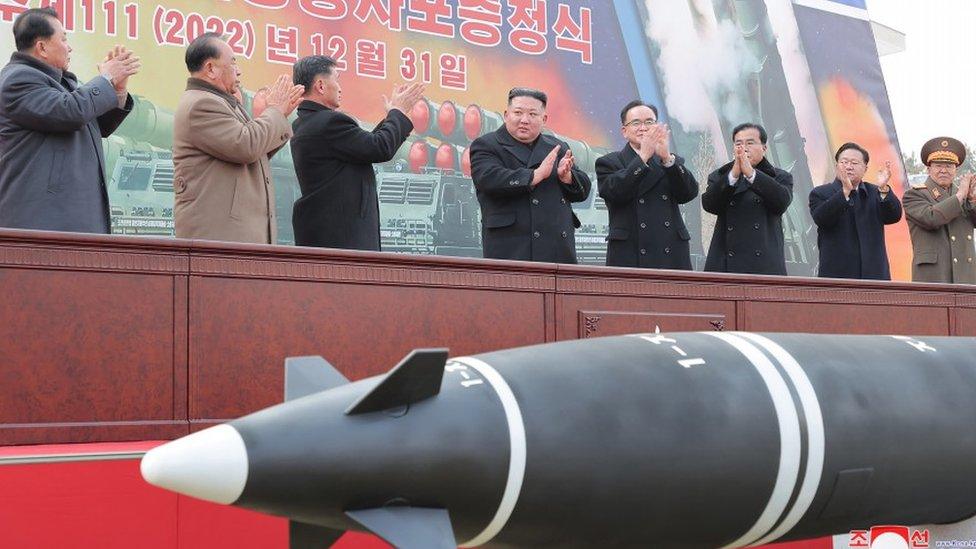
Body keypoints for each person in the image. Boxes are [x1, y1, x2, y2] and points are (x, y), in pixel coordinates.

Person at [0, 7, 139, 233]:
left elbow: (96, 125)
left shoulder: (64, 82)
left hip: (73, 221)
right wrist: (105, 79)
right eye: (64, 39)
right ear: (42, 47)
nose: (69, 46)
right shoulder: (18, 79)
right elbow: (70, 112)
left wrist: (118, 89)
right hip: (41, 224)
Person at [173, 32, 303, 244]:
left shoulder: (223, 103)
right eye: (233, 63)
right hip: (220, 239)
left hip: (235, 238)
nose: (239, 71)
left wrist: (275, 115)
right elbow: (246, 146)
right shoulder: (202, 105)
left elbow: (255, 151)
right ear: (211, 69)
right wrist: (275, 111)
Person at [289, 55, 424, 250]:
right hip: (343, 239)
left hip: (326, 236)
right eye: (337, 79)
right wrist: (398, 112)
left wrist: (392, 117)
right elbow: (379, 148)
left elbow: (366, 147)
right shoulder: (329, 123)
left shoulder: (306, 123)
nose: (340, 87)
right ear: (320, 85)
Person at [469, 87, 591, 263]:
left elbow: (583, 190)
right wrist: (534, 176)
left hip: (556, 249)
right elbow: (488, 179)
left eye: (533, 114)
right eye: (518, 112)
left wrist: (568, 177)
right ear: (506, 114)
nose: (524, 120)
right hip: (511, 249)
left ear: (544, 119)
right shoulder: (486, 145)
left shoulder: (557, 147)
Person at [596, 100, 698, 269]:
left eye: (649, 122)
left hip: (671, 252)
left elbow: (688, 193)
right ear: (624, 131)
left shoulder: (670, 161)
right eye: (636, 123)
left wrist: (667, 158)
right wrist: (642, 158)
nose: (643, 128)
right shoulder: (609, 162)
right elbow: (615, 192)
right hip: (630, 251)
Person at [701, 123, 793, 275]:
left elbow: (781, 202)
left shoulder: (780, 177)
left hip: (763, 265)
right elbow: (710, 205)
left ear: (764, 148)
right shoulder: (720, 176)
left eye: (750, 143)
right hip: (726, 264)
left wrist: (751, 174)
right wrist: (734, 175)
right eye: (739, 143)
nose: (744, 148)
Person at [808, 142, 902, 279]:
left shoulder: (875, 192)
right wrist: (845, 192)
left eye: (854, 163)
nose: (848, 167)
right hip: (837, 276)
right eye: (844, 162)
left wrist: (883, 189)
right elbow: (822, 219)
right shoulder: (820, 193)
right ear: (837, 166)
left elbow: (894, 216)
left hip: (875, 276)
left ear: (865, 168)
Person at [903, 137, 976, 284]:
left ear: (956, 170)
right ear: (928, 169)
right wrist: (960, 195)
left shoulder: (965, 196)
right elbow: (932, 218)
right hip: (933, 276)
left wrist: (973, 200)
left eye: (949, 166)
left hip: (965, 276)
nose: (944, 170)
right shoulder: (914, 194)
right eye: (938, 165)